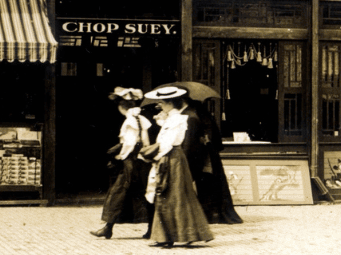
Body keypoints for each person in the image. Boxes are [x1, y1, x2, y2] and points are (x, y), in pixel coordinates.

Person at [143, 86, 214, 248]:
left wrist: (153, 155)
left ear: (169, 103)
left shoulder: (177, 119)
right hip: (173, 159)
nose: (160, 105)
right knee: (174, 195)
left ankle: (170, 236)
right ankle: (172, 235)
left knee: (170, 195)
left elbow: (168, 143)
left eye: (162, 103)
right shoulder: (174, 118)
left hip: (171, 159)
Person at [94, 87, 154, 239]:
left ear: (122, 107)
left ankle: (108, 228)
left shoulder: (129, 121)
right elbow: (145, 142)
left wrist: (121, 156)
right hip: (142, 162)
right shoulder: (141, 119)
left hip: (131, 162)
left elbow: (129, 143)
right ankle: (150, 228)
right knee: (145, 194)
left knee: (118, 193)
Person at [187, 98, 239, 225]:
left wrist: (203, 140)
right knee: (211, 186)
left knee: (207, 186)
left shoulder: (200, 118)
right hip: (210, 155)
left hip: (206, 157)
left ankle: (211, 216)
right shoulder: (205, 116)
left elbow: (208, 138)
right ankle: (213, 215)